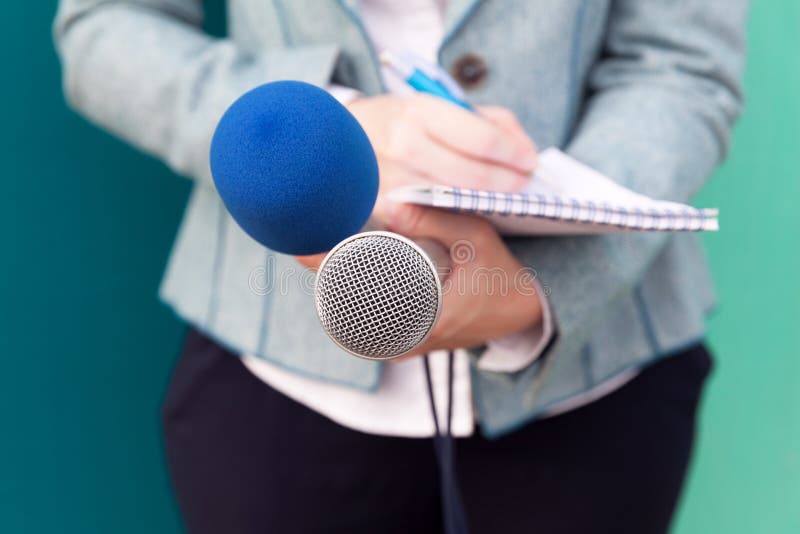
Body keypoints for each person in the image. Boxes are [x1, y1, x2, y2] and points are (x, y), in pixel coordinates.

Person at [54, 1, 746, 532]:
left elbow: (679, 63)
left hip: (597, 382)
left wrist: (541, 286)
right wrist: (333, 126)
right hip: (276, 380)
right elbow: (105, 26)